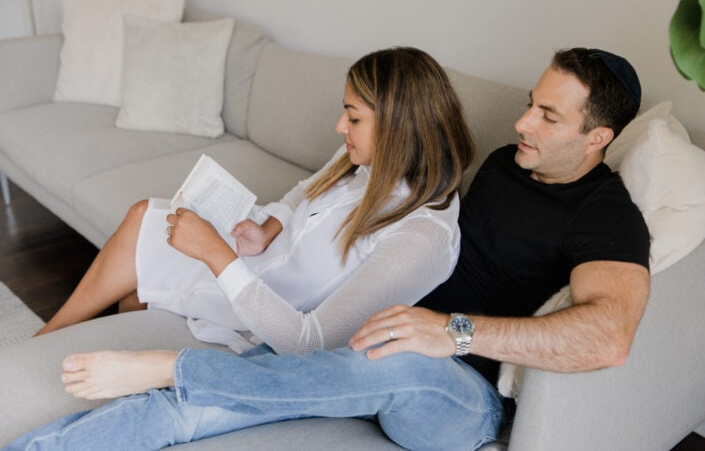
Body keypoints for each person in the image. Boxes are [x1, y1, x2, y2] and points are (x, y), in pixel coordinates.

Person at [4, 48, 650, 451]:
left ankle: (170, 365)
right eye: (529, 105)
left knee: (384, 359)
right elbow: (413, 166)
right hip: (372, 344)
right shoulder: (508, 163)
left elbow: (607, 337)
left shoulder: (605, 218)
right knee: (189, 414)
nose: (519, 125)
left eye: (547, 117)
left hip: (457, 397)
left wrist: (448, 333)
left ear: (596, 138)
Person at [33, 46, 474, 357]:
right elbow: (306, 188)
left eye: (354, 117)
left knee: (133, 297)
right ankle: (47, 340)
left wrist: (214, 253)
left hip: (269, 308)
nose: (340, 127)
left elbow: (311, 342)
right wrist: (270, 226)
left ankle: (46, 346)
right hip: (258, 259)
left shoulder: (421, 237)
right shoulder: (365, 156)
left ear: (399, 127)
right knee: (142, 219)